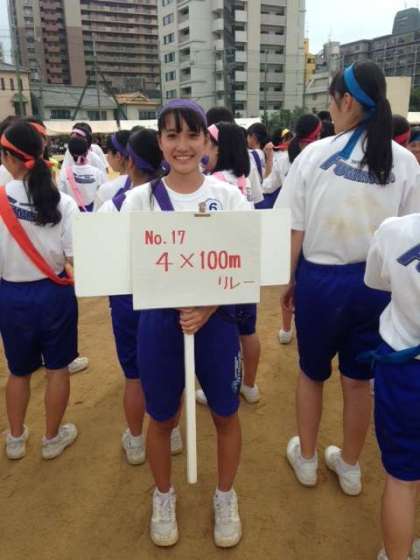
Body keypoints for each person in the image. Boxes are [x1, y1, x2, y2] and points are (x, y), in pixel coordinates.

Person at [276, 61, 420, 496]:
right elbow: (409, 236)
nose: (330, 109)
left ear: (347, 101)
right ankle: (351, 466)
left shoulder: (314, 154)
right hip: (375, 287)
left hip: (320, 282)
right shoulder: (403, 161)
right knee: (359, 381)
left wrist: (288, 281)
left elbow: (293, 228)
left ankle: (306, 459)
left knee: (311, 374)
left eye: (332, 100)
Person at [122, 99, 251, 548]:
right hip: (159, 322)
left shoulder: (228, 197)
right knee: (162, 418)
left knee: (225, 414)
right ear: (159, 142)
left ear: (206, 141)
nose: (182, 145)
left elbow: (245, 261)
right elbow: (123, 265)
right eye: (172, 135)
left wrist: (210, 305)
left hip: (216, 323)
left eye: (192, 134)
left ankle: (225, 495)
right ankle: (163, 495)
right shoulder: (138, 201)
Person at [99, 128, 183, 463]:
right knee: (172, 369)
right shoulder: (178, 199)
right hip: (168, 296)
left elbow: (103, 261)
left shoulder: (112, 205)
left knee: (134, 375)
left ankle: (135, 440)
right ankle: (171, 432)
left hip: (127, 299)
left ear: (129, 161)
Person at [0, 120, 79, 460]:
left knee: (18, 371)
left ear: (9, 157)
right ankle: (51, 438)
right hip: (54, 294)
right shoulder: (63, 203)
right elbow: (73, 257)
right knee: (57, 368)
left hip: (11, 296)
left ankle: (15, 438)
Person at [364, 216, 420, 560]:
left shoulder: (395, 230)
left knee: (402, 477)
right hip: (405, 367)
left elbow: (376, 280)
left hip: (405, 370)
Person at [195, 121, 261, 404]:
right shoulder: (245, 176)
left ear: (218, 148)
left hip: (221, 271)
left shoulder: (213, 182)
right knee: (248, 330)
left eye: (207, 144)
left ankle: (223, 389)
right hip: (246, 267)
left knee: (222, 336)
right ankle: (250, 385)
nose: (203, 151)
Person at [58, 136, 106, 212]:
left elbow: (61, 196)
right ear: (87, 152)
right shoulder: (98, 173)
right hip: (92, 213)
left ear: (70, 153)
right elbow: (103, 196)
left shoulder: (64, 173)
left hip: (72, 212)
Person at [94, 130, 132, 210]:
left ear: (118, 156)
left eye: (108, 152)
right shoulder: (149, 185)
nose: (107, 157)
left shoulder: (105, 190)